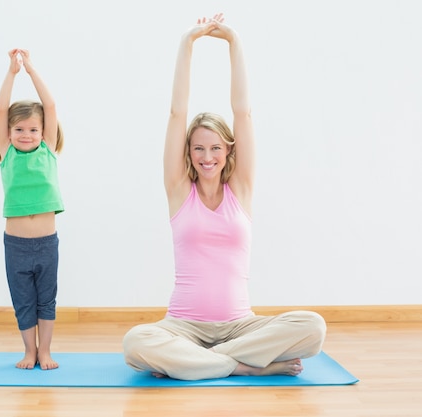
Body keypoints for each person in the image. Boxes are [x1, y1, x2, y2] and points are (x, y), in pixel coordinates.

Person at [122, 14, 326, 381]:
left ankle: (197, 362)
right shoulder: (179, 190)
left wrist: (234, 41)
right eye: (198, 148)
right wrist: (187, 43)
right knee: (136, 343)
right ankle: (243, 367)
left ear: (229, 150)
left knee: (313, 327)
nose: (207, 156)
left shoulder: (242, 189)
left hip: (240, 327)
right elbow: (176, 113)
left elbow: (243, 113)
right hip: (183, 326)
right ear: (188, 152)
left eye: (215, 147)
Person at [0, 48, 64, 370]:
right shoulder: (6, 154)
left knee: (45, 300)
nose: (26, 135)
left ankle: (46, 351)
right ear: (9, 133)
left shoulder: (48, 151)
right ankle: (29, 352)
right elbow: (0, 109)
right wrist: (11, 73)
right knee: (23, 300)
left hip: (47, 243)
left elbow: (49, 106)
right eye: (19, 129)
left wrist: (31, 69)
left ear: (43, 132)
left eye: (33, 129)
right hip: (17, 245)